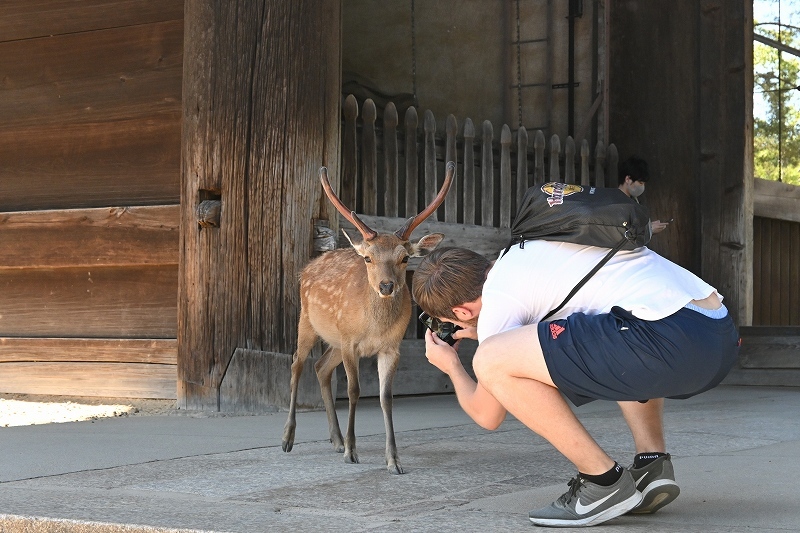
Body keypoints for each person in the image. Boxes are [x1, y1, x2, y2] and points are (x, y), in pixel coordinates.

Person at [411, 241, 739, 528]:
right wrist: (487, 334)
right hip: (717, 336)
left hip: (666, 343)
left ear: (460, 311)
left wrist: (453, 365)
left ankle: (602, 481)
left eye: (450, 322)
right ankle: (650, 464)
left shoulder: (499, 301)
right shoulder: (524, 254)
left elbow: (488, 415)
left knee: (490, 360)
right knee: (613, 323)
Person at [617, 156, 669, 234]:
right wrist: (649, 229)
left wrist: (649, 227)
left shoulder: (633, 201)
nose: (642, 187)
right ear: (628, 179)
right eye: (641, 183)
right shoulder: (616, 203)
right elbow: (621, 234)